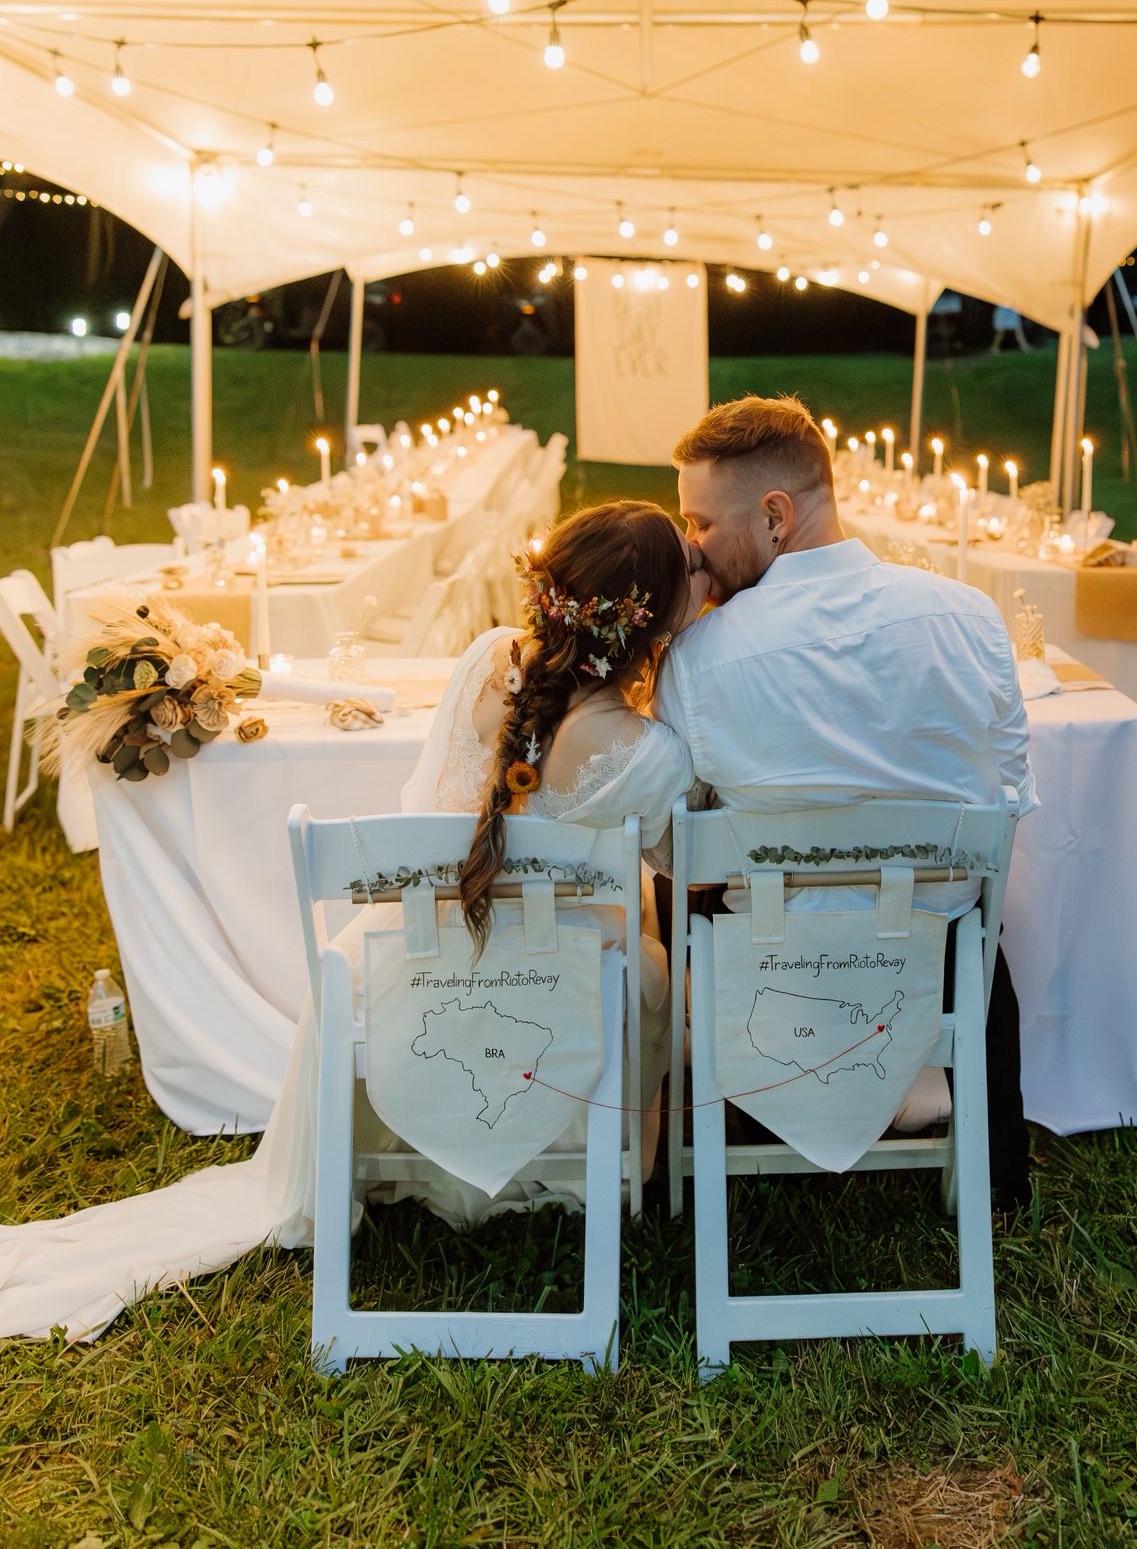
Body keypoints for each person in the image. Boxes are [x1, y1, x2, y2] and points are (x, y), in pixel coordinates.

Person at [0, 501, 705, 1342]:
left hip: (412, 961)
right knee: (650, 966)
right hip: (546, 984)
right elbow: (681, 861)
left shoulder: (487, 660)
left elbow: (424, 805)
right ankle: (607, 1166)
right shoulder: (647, 750)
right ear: (651, 619)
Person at [654, 394, 1038, 1206]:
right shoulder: (970, 615)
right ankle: (986, 1167)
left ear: (774, 516)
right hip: (939, 958)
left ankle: (713, 1135)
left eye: (700, 522)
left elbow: (679, 833)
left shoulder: (697, 657)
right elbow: (1009, 794)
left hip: (769, 963)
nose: (689, 545)